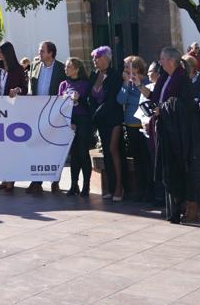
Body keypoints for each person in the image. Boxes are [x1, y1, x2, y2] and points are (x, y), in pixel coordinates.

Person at [150, 47, 200, 224]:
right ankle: (173, 210)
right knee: (169, 171)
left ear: (171, 61)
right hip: (167, 130)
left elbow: (182, 105)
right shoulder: (165, 77)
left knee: (181, 170)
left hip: (180, 134)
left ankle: (188, 207)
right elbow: (157, 98)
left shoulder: (182, 79)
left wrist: (163, 109)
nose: (160, 62)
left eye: (162, 59)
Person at [0, 41, 28, 193]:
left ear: (8, 53)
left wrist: (17, 90)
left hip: (13, 112)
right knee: (1, 147)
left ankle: (11, 178)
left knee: (11, 146)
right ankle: (3, 177)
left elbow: (24, 88)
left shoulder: (18, 69)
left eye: (1, 52)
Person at [26, 41, 64, 195]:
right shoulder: (35, 66)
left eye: (42, 51)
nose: (39, 53)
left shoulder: (61, 68)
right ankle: (36, 182)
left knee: (54, 149)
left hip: (54, 115)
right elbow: (31, 87)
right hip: (37, 113)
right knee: (37, 148)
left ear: (51, 53)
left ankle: (55, 182)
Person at [90, 45, 125, 200]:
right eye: (93, 58)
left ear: (106, 59)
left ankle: (120, 187)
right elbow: (90, 97)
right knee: (106, 152)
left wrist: (96, 114)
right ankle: (110, 187)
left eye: (97, 58)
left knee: (113, 150)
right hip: (101, 121)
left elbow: (112, 99)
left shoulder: (115, 75)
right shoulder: (93, 75)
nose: (94, 61)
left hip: (113, 118)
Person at [119, 55, 152, 203]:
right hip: (131, 125)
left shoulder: (146, 81)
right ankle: (141, 190)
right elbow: (120, 100)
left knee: (147, 158)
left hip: (145, 125)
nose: (125, 69)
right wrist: (126, 84)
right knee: (137, 160)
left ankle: (150, 189)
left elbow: (145, 98)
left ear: (137, 68)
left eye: (127, 66)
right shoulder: (127, 83)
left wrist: (132, 99)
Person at [59, 57, 94, 197]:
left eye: (68, 67)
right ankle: (74, 185)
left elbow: (88, 104)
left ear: (76, 69)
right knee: (73, 154)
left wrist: (78, 100)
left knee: (83, 152)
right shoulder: (63, 84)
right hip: (69, 121)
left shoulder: (85, 84)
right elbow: (59, 105)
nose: (65, 69)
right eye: (66, 67)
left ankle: (86, 185)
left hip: (83, 120)